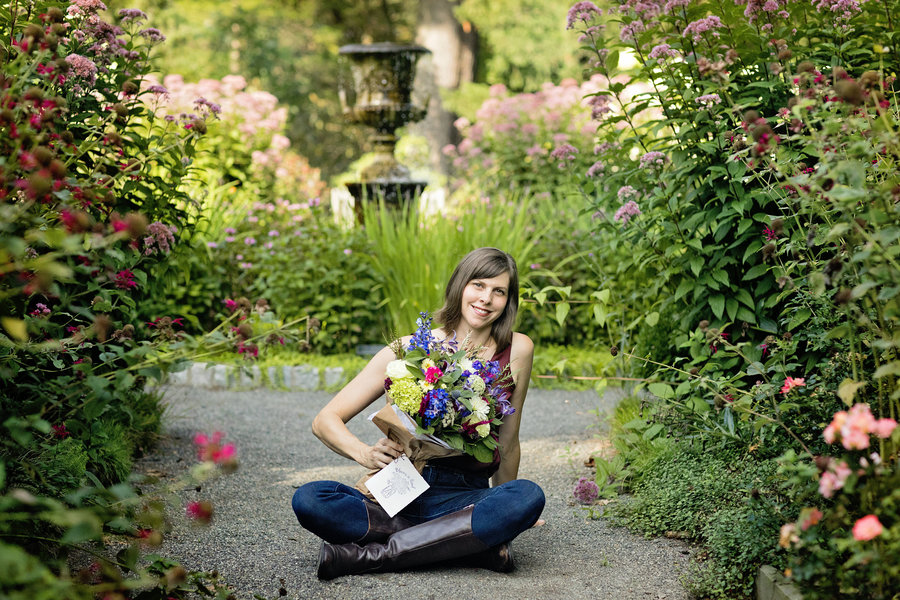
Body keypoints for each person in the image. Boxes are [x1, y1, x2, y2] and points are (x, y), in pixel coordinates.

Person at [291, 247, 545, 580]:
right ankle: (461, 543)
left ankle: (373, 555)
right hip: (397, 493)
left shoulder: (518, 348)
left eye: (499, 291)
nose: (486, 298)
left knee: (527, 496)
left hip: (463, 497)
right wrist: (365, 453)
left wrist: (504, 513)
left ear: (508, 301)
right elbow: (324, 420)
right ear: (460, 286)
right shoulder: (410, 348)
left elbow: (508, 444)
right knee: (310, 499)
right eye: (479, 285)